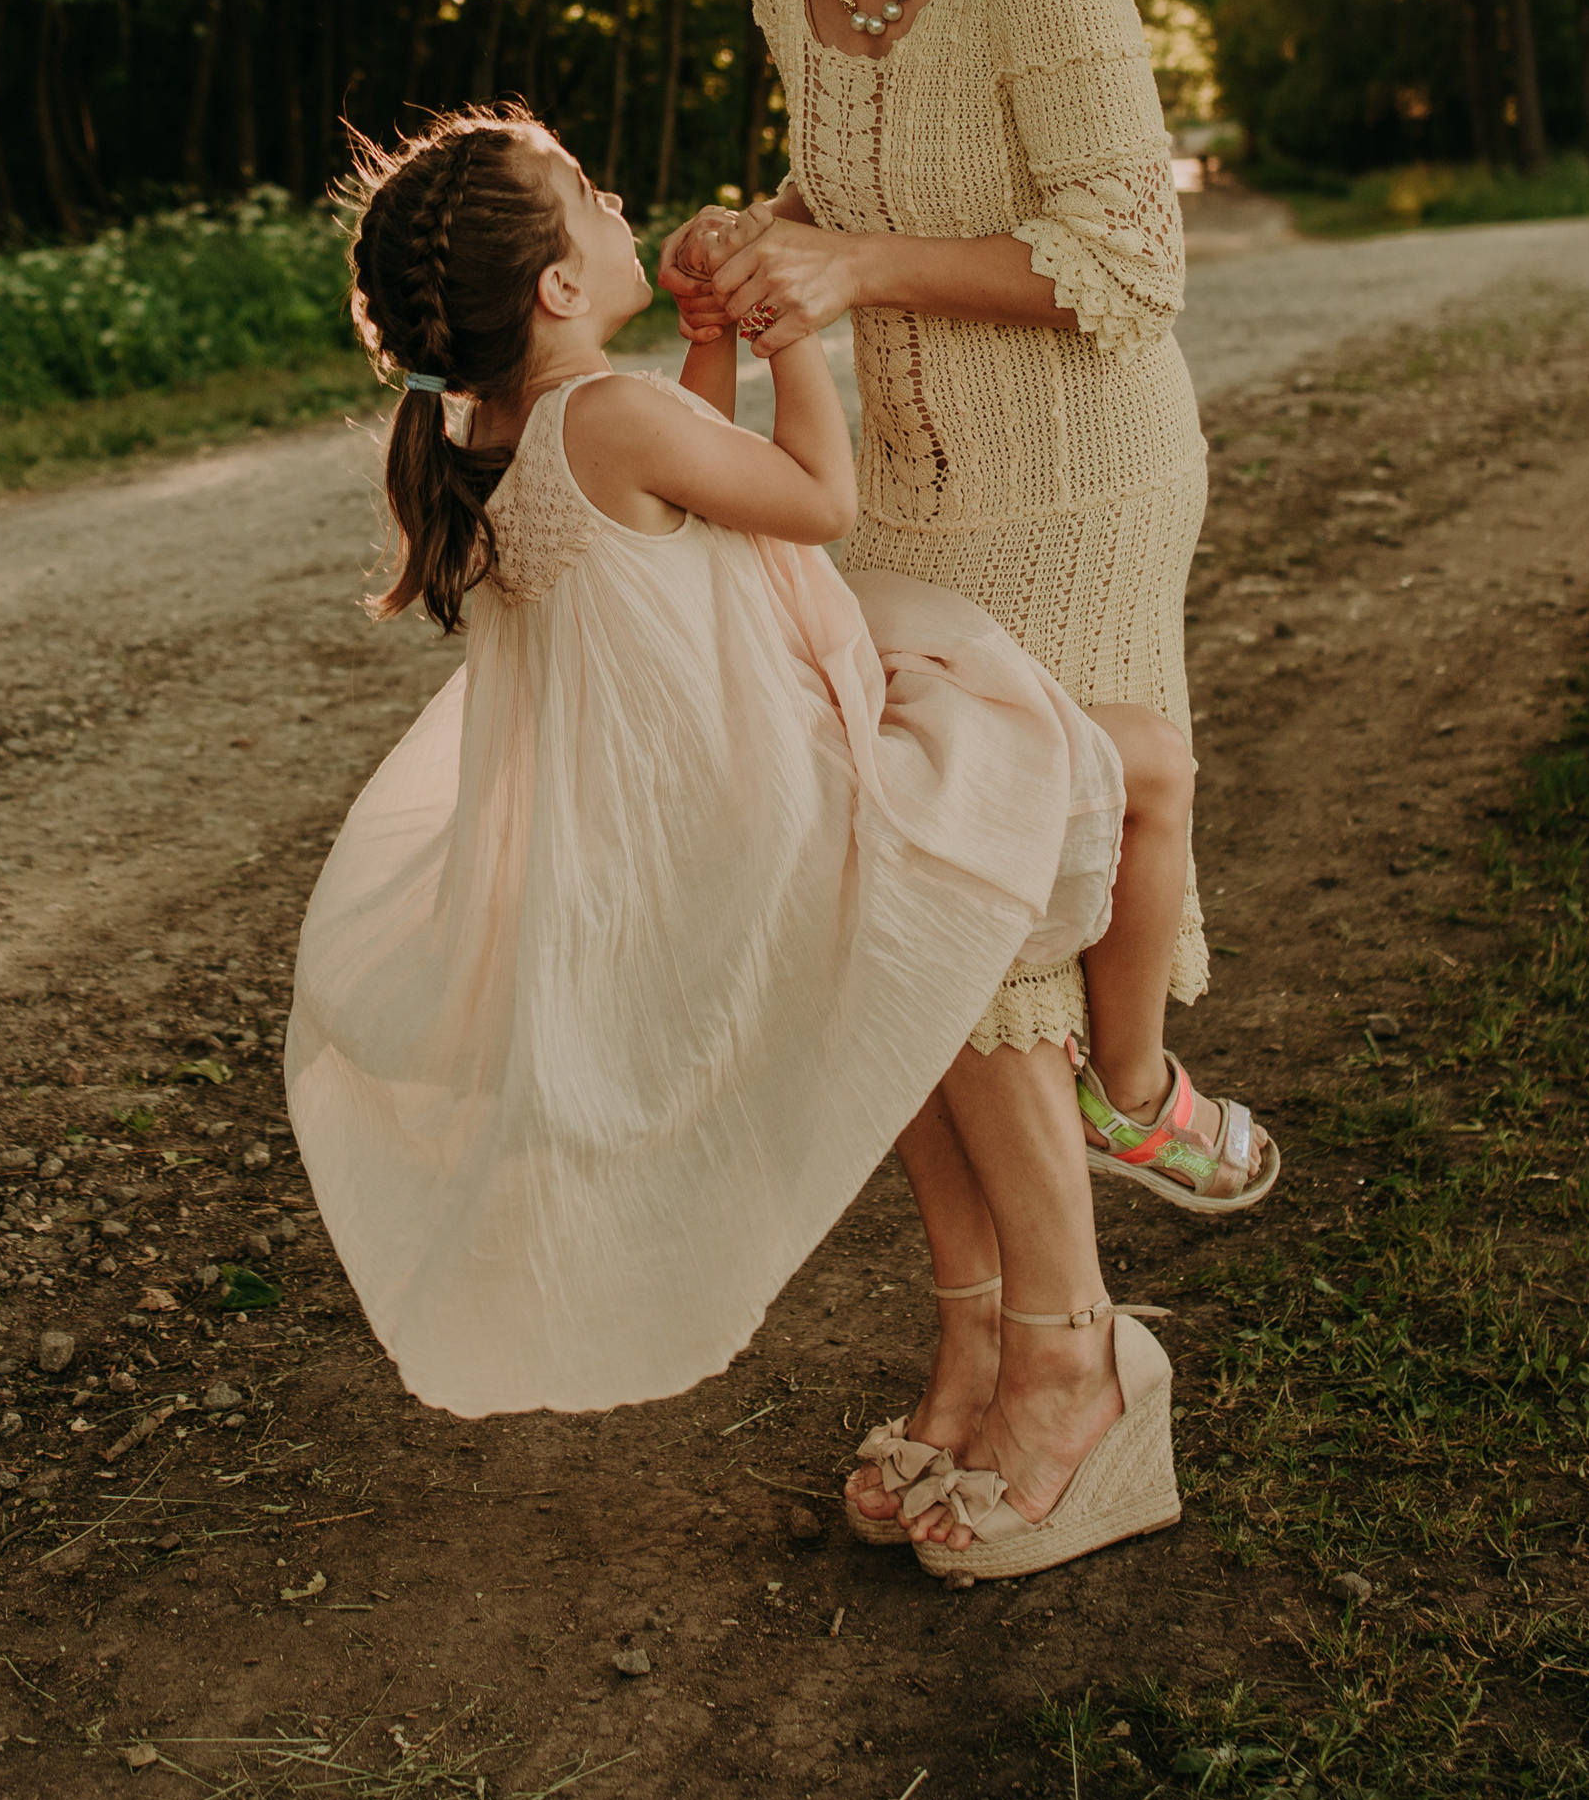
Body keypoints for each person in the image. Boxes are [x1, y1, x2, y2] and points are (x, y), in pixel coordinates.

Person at [285, 108, 1189, 1583]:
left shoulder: (514, 432)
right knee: (1149, 764)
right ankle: (1141, 1091)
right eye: (586, 193)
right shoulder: (611, 421)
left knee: (1009, 900)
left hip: (718, 837)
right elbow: (811, 503)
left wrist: (703, 347)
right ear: (562, 287)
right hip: (798, 791)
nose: (616, 197)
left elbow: (678, 491)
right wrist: (788, 333)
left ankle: (1039, 1259)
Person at [618, 0, 1275, 1523]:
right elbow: (848, 215)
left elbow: (1122, 260)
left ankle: (1082, 1375)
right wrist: (749, 259)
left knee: (978, 920)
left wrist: (854, 257)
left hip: (1072, 479)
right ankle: (977, 1334)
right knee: (880, 917)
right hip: (886, 488)